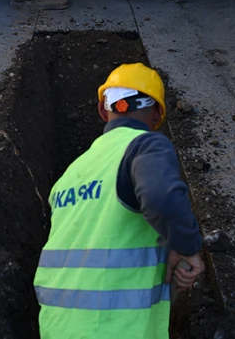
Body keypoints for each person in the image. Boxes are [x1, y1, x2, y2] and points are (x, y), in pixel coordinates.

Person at [34, 63, 204, 338]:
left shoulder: (68, 176)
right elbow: (161, 197)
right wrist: (188, 248)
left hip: (55, 326)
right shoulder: (145, 145)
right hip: (114, 328)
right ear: (158, 114)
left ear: (103, 111)